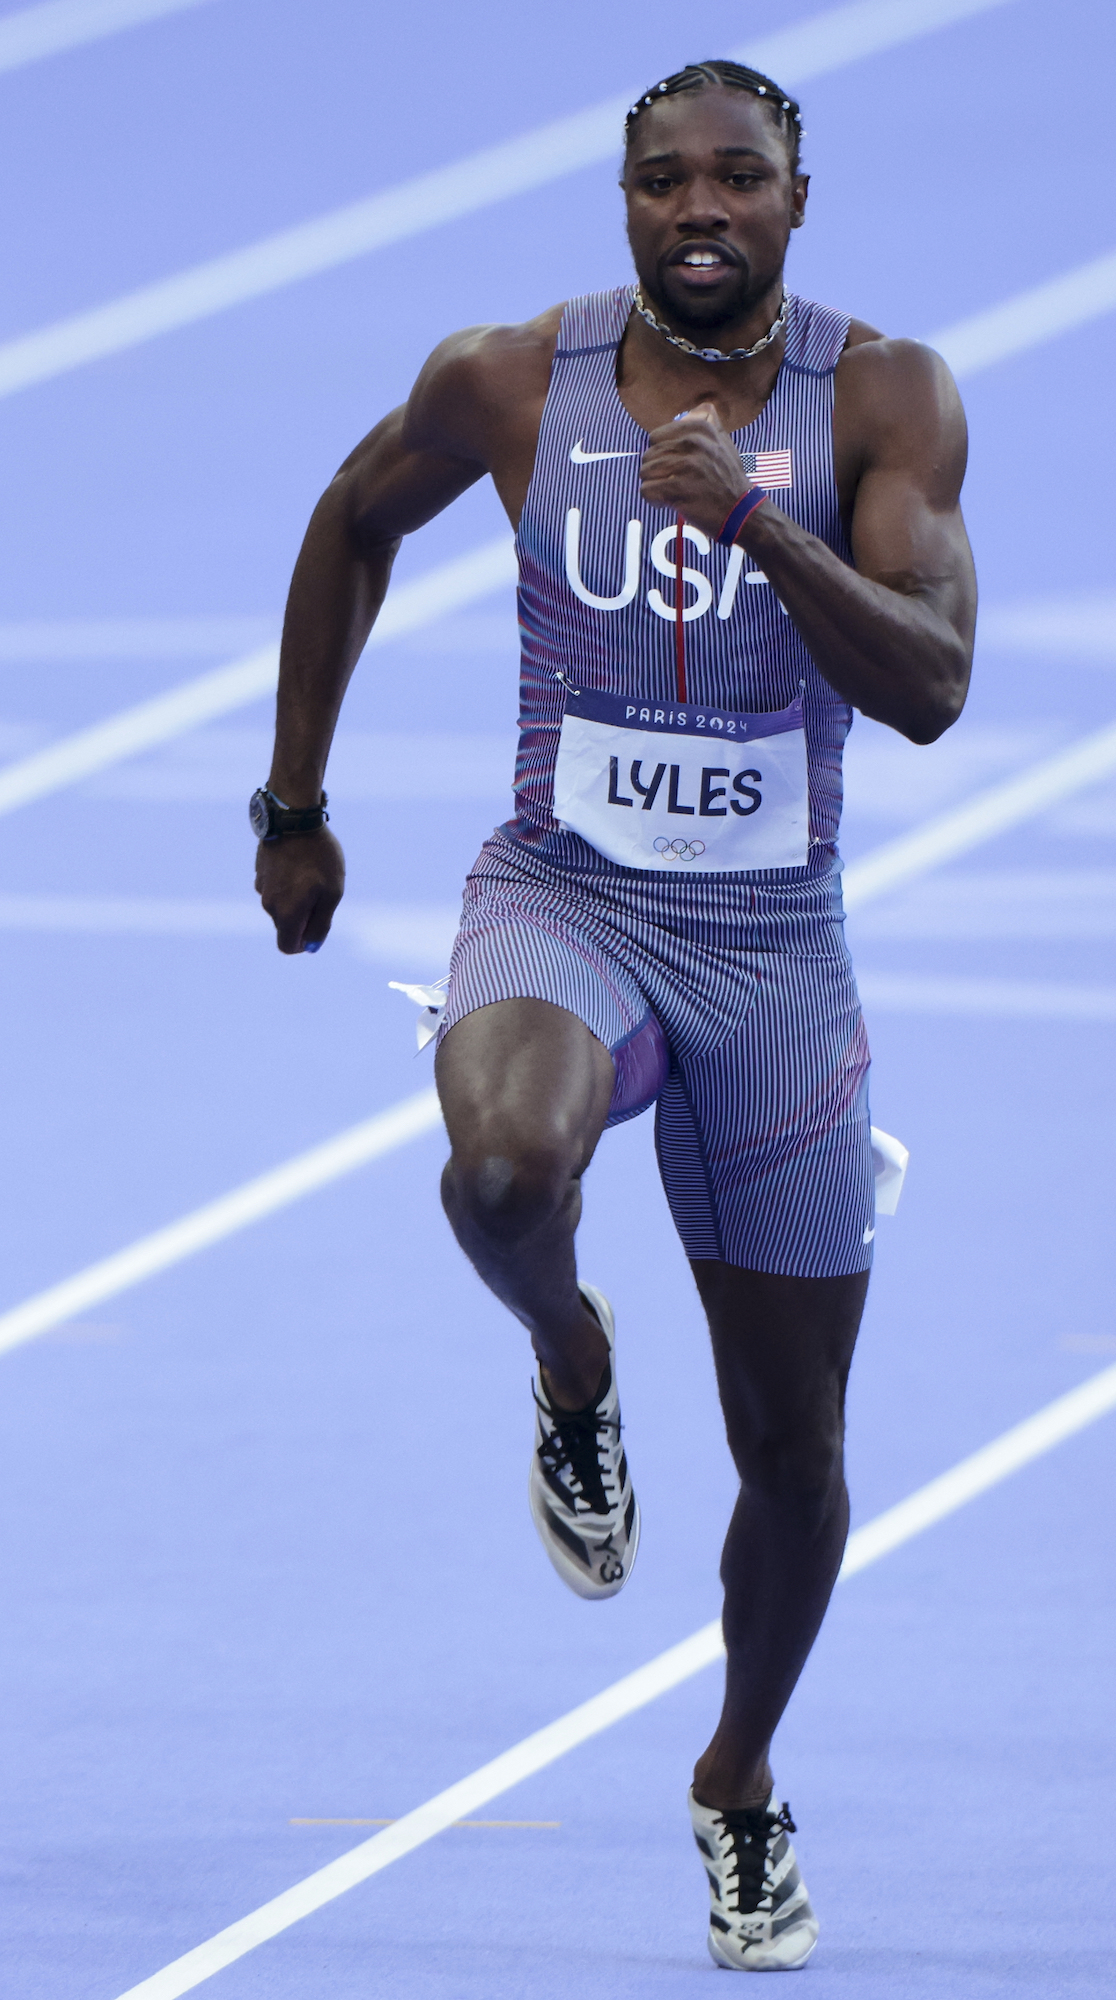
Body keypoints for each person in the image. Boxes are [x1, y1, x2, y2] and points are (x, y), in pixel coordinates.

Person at [253, 58, 975, 1971]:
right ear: (627, 202)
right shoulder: (511, 378)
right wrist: (295, 808)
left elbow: (931, 684)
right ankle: (572, 1372)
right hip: (558, 894)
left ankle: (736, 1779)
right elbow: (350, 517)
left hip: (770, 954)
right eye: (666, 182)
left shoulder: (882, 398)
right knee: (497, 1175)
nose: (702, 210)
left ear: (798, 203)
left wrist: (758, 531)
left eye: (741, 177)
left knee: (796, 1457)